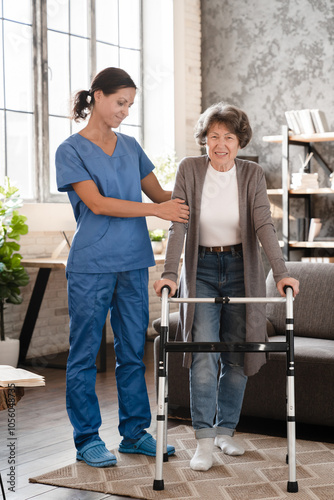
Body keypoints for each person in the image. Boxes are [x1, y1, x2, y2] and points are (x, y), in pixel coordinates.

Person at [154, 102, 299, 472]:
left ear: (239, 141)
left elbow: (264, 225)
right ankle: (203, 439)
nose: (220, 144)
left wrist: (281, 272)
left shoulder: (252, 174)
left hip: (240, 268)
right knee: (204, 349)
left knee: (237, 351)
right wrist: (170, 273)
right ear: (204, 139)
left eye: (228, 137)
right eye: (213, 136)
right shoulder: (189, 169)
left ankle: (225, 431)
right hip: (201, 267)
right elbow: (179, 225)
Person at [55, 67, 189, 468]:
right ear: (97, 96)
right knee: (83, 354)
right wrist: (157, 210)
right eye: (120, 102)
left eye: (130, 104)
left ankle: (134, 434)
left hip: (133, 262)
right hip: (91, 264)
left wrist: (205, 181)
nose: (126, 111)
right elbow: (97, 203)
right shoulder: (71, 149)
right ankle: (87, 439)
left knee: (133, 351)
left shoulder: (131, 147)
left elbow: (164, 195)